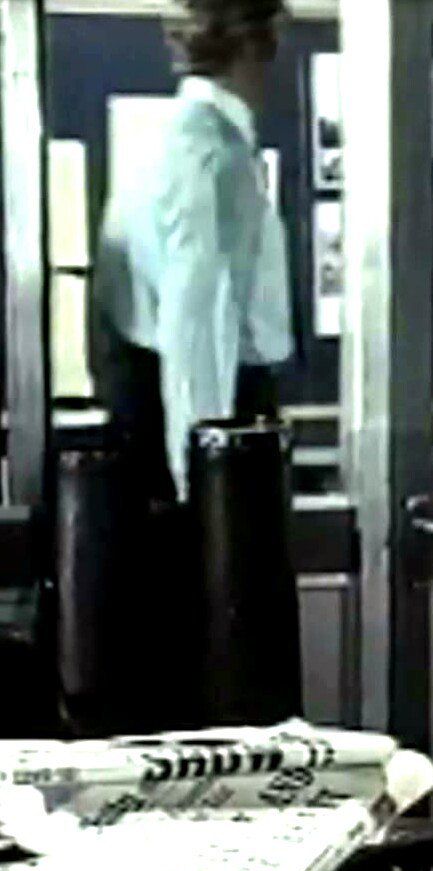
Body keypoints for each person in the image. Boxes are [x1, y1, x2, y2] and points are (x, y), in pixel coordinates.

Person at [91, 0, 293, 505]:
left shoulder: (168, 141)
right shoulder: (212, 152)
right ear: (251, 46)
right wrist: (205, 483)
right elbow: (198, 322)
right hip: (215, 419)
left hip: (157, 411)